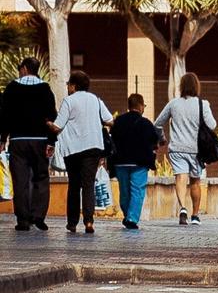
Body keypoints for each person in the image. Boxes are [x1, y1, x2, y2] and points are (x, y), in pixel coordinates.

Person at [49, 70, 113, 234]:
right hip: (93, 149)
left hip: (73, 150)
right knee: (88, 185)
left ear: (73, 86)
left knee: (74, 185)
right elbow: (109, 120)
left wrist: (47, 123)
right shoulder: (96, 100)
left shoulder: (69, 101)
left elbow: (58, 126)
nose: (68, 88)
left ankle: (72, 222)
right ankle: (89, 221)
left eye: (68, 85)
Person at [0, 57, 57, 231]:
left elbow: (5, 116)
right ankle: (39, 215)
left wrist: (3, 139)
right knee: (41, 177)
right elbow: (51, 118)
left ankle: (23, 220)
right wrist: (51, 141)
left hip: (18, 141)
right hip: (40, 140)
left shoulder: (11, 88)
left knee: (20, 180)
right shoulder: (45, 89)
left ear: (24, 68)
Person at [155, 72, 217, 225]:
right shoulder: (203, 104)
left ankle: (183, 208)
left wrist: (162, 138)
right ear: (197, 86)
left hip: (177, 148)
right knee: (195, 181)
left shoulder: (173, 104)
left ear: (181, 86)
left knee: (180, 177)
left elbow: (157, 123)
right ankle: (195, 215)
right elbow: (212, 125)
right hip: (196, 150)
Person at [110, 94, 160, 230]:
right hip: (140, 163)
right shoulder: (145, 123)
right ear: (140, 105)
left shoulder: (118, 121)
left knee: (124, 191)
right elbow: (154, 141)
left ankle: (127, 215)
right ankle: (131, 218)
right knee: (137, 190)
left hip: (120, 162)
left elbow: (112, 139)